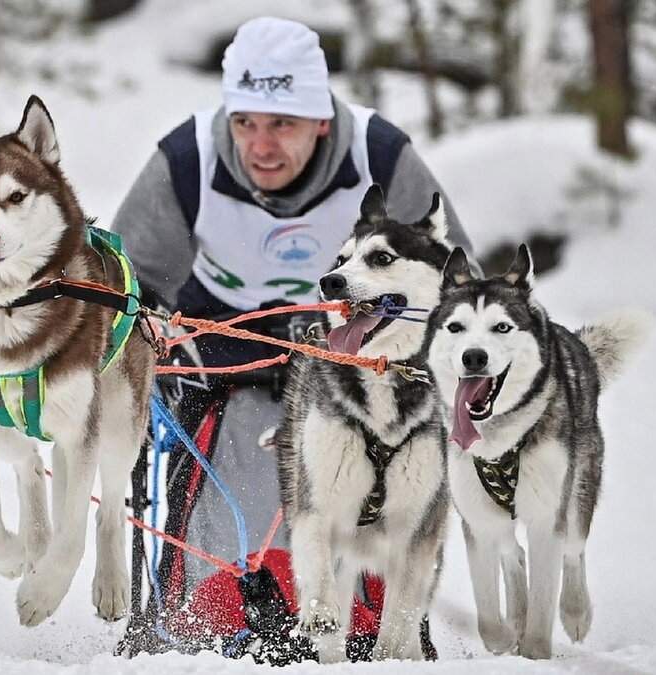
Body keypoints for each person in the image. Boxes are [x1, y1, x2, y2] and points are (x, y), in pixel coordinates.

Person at [112, 16, 476, 661]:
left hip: (360, 368)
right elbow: (129, 288)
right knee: (241, 463)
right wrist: (149, 337)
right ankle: (213, 619)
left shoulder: (381, 157)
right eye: (246, 122)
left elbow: (454, 286)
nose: (261, 145)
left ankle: (369, 623)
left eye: (282, 124)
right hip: (222, 358)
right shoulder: (187, 159)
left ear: (322, 122)